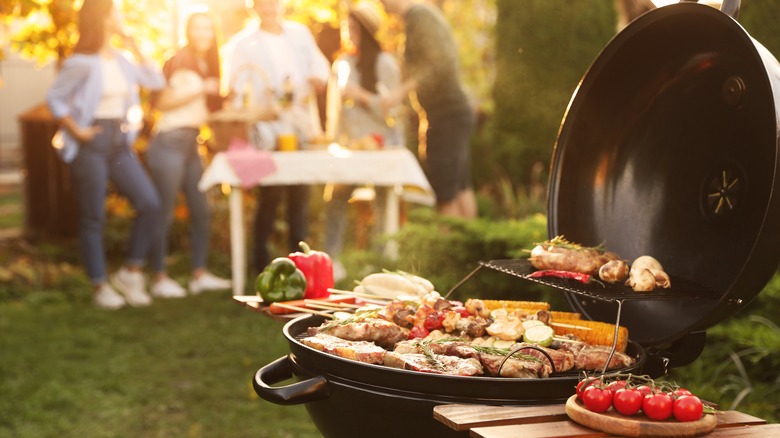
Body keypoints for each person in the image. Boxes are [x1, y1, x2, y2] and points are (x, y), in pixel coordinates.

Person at [46, 0, 165, 309]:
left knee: (149, 203)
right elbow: (56, 99)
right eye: (114, 12)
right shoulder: (81, 62)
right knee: (93, 215)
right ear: (102, 17)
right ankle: (100, 285)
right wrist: (77, 130)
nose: (119, 17)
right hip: (91, 142)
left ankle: (131, 271)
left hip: (119, 142)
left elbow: (155, 81)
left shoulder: (123, 60)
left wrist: (132, 42)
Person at [224, 0, 330, 272]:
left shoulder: (299, 33)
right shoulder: (243, 44)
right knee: (269, 192)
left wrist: (317, 79)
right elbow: (234, 90)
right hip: (267, 128)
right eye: (262, 2)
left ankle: (301, 262)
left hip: (300, 124)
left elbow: (320, 66)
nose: (268, 6)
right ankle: (260, 261)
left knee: (300, 193)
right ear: (254, 7)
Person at [145, 9, 232, 297]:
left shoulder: (208, 64)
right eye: (197, 29)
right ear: (188, 32)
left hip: (192, 143)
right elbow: (160, 102)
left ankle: (199, 274)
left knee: (202, 209)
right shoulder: (176, 61)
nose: (202, 35)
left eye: (208, 29)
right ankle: (158, 278)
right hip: (169, 140)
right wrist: (200, 91)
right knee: (164, 211)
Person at [323, 1, 404, 278]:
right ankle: (331, 258)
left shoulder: (385, 63)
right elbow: (334, 109)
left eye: (356, 26)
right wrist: (331, 139)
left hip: (381, 144)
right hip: (351, 146)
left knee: (384, 198)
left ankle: (383, 261)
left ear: (369, 30)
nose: (350, 31)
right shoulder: (342, 63)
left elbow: (394, 109)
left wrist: (362, 96)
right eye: (347, 26)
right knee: (336, 196)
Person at [378, 0, 477, 219]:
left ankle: (452, 252)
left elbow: (438, 63)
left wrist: (399, 93)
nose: (379, 3)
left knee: (446, 193)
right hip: (449, 113)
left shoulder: (419, 16)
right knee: (460, 188)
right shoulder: (418, 17)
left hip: (446, 114)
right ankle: (471, 250)